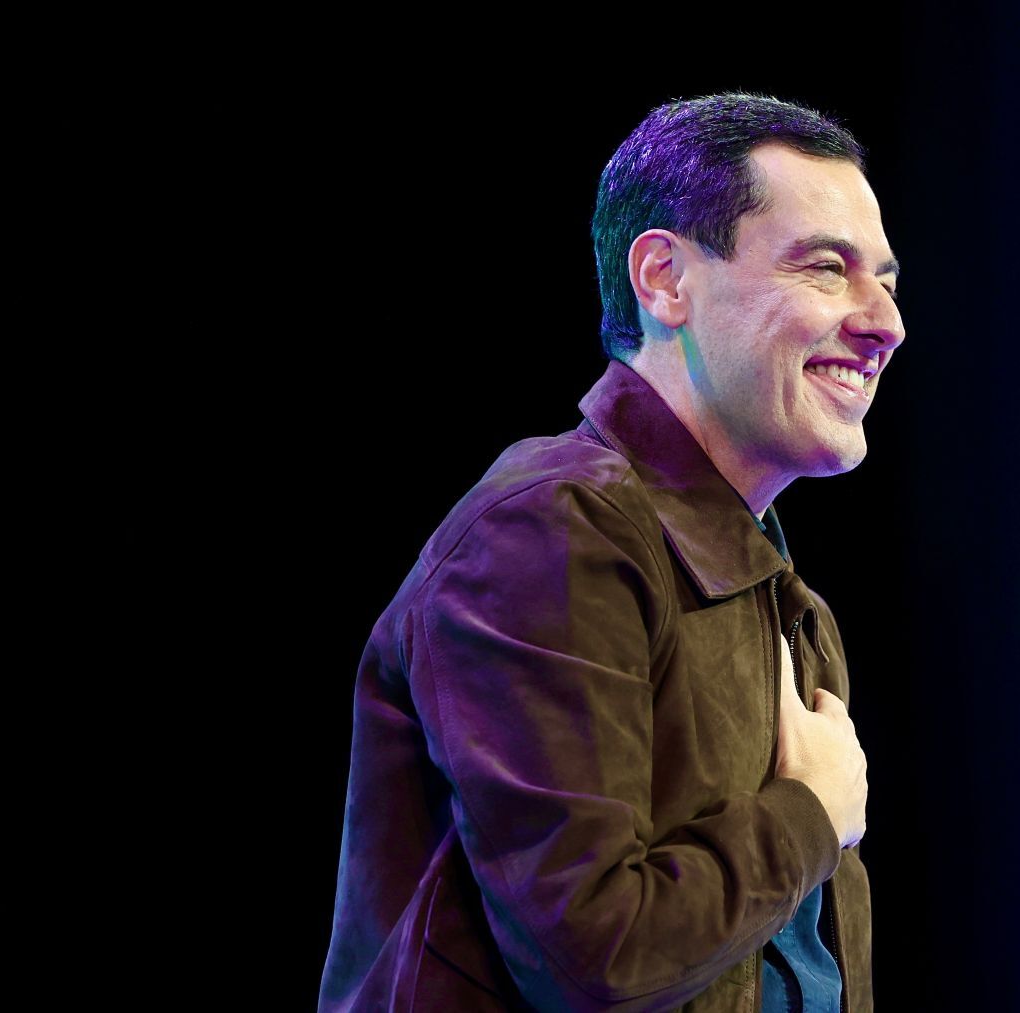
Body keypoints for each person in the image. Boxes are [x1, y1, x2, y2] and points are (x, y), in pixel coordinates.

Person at [319, 93, 905, 1012]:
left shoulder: (792, 607)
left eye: (887, 281)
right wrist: (811, 814)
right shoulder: (549, 528)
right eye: (828, 268)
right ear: (665, 279)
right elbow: (598, 955)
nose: (885, 323)